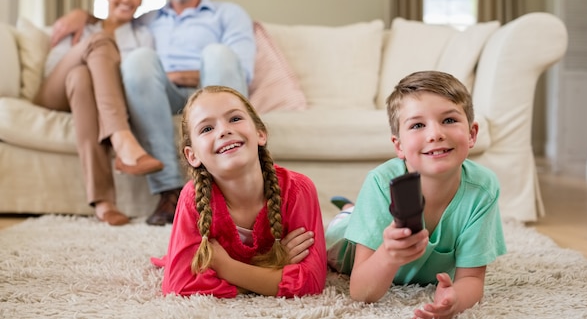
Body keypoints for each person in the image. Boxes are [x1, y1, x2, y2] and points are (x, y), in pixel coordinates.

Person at [49, 0, 256, 226]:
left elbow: (241, 72)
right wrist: (82, 14)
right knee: (139, 60)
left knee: (217, 53)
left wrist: (190, 74)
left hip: (213, 90)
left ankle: (223, 184)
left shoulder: (228, 14)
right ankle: (170, 191)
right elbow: (110, 24)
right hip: (165, 97)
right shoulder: (145, 21)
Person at [325, 70, 507, 319]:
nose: (435, 134)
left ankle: (353, 208)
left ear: (472, 134)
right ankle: (349, 210)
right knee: (336, 232)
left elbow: (472, 278)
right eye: (418, 125)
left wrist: (455, 300)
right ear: (398, 145)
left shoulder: (483, 189)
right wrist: (389, 254)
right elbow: (361, 292)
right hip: (343, 240)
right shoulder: (381, 183)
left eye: (449, 120)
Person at [150, 85, 327, 297]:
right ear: (192, 155)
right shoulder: (193, 197)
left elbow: (312, 282)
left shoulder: (298, 189)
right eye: (206, 129)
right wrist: (273, 270)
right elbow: (180, 286)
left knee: (340, 242)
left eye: (234, 119)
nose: (224, 130)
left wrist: (226, 268)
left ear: (260, 133)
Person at [34, 0, 164, 226]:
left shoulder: (143, 37)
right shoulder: (82, 26)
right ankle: (122, 138)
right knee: (99, 45)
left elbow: (138, 83)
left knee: (81, 78)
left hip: (88, 97)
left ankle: (104, 203)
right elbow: (53, 68)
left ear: (141, 0)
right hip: (55, 93)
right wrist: (92, 42)